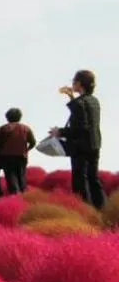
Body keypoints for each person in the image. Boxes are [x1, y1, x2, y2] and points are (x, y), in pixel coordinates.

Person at [57, 70, 105, 210]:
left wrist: (60, 132)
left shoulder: (79, 103)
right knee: (93, 179)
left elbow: (79, 127)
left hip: (80, 146)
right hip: (94, 144)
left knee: (79, 180)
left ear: (79, 83)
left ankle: (85, 210)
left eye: (74, 81)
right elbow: (85, 116)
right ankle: (101, 208)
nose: (72, 84)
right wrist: (72, 98)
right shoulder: (94, 100)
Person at [0, 108, 36, 196]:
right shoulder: (26, 128)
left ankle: (15, 195)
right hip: (22, 156)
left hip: (7, 156)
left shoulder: (4, 128)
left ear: (7, 117)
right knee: (22, 176)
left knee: (11, 177)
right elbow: (33, 142)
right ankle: (23, 194)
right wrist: (26, 150)